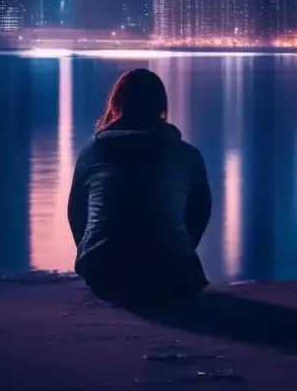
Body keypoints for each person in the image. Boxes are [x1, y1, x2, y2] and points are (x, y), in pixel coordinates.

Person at [67, 68, 212, 306]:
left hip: (104, 275)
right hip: (175, 277)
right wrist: (177, 250)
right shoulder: (188, 155)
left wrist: (91, 254)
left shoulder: (92, 151)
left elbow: (76, 213)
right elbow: (200, 213)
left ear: (116, 104)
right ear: (161, 106)